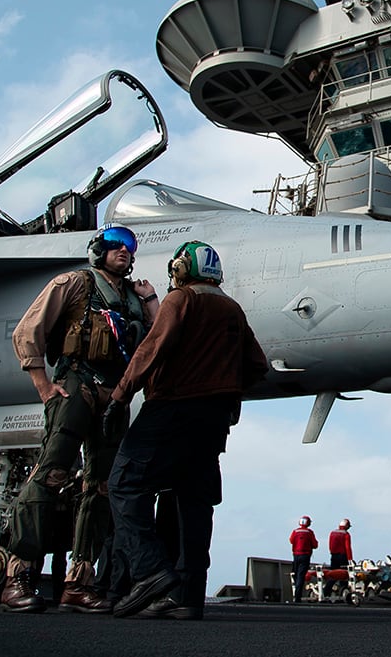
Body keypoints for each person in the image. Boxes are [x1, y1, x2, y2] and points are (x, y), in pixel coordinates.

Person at [106, 241, 268, 620]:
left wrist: (118, 396)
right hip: (214, 421)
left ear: (182, 268)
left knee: (124, 483)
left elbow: (151, 350)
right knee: (194, 503)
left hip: (170, 410)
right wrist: (224, 387)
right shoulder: (232, 308)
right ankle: (188, 596)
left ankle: (149, 572)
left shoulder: (181, 300)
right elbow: (257, 365)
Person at [4, 225, 160, 613]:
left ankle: (79, 584)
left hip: (113, 398)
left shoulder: (133, 299)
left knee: (101, 489)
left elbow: (156, 343)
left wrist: (151, 298)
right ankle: (18, 575)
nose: (124, 251)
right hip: (76, 386)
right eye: (116, 245)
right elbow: (28, 332)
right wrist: (43, 386)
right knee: (50, 474)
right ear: (99, 250)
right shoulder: (74, 284)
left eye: (129, 247)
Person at [290, 516, 318, 603]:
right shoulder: (309, 532)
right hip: (305, 556)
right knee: (301, 576)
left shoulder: (295, 531)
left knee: (295, 573)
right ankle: (298, 597)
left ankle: (296, 594)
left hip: (296, 556)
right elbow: (315, 545)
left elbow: (291, 541)